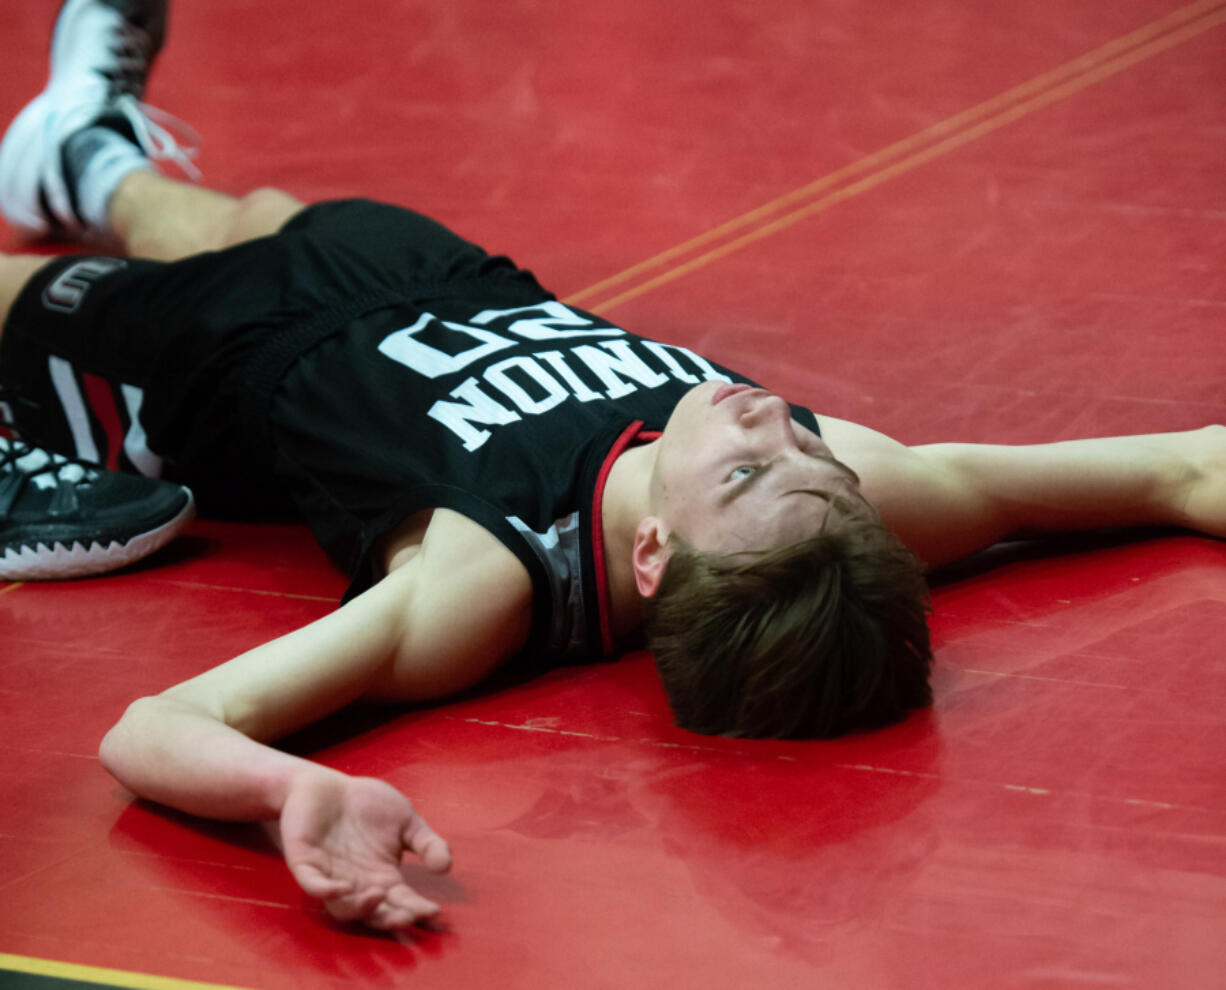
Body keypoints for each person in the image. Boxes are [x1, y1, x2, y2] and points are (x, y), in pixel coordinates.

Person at [2, 0, 1222, 932]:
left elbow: (156, 726)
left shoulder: (485, 580)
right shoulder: (834, 509)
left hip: (216, 365)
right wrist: (800, 476)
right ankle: (87, 160)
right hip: (436, 280)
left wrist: (278, 794)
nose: (768, 420)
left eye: (744, 471)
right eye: (808, 450)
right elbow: (1181, 473)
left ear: (651, 553)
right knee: (239, 214)